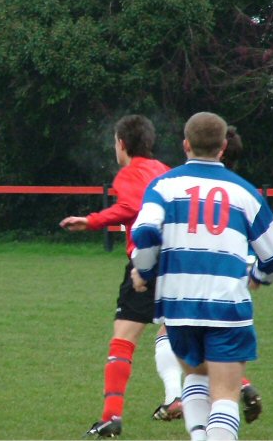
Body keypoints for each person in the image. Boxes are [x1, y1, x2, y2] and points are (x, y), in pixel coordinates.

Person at [131, 112, 273, 441]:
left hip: (179, 308)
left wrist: (143, 271)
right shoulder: (244, 192)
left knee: (196, 380)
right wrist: (258, 276)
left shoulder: (164, 186)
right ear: (223, 146)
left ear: (185, 144)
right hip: (227, 307)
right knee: (226, 393)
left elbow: (143, 232)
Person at [59, 114, 181, 438]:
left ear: (122, 144)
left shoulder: (130, 173)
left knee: (123, 340)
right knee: (177, 331)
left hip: (146, 261)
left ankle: (111, 416)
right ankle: (175, 398)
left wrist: (92, 220)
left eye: (115, 141)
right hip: (179, 262)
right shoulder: (166, 171)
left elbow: (131, 206)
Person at [220, 125, 263, 424]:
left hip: (200, 285)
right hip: (237, 289)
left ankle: (176, 399)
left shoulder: (195, 189)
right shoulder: (245, 192)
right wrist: (259, 276)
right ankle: (243, 385)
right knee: (221, 353)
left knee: (177, 338)